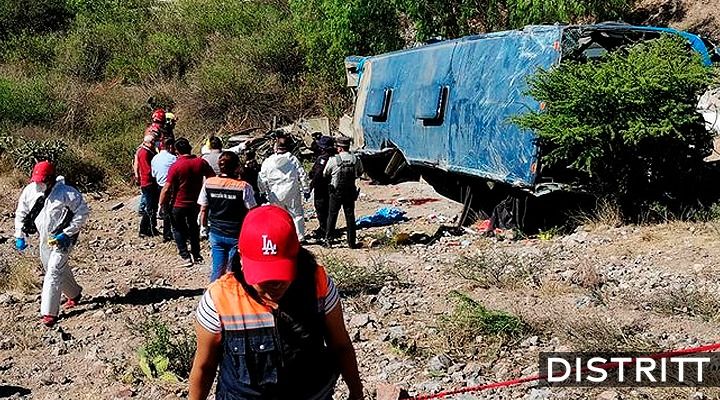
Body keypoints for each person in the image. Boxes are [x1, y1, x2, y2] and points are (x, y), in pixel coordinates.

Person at [189, 205, 364, 400]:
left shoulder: (318, 284)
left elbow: (340, 346)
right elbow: (204, 367)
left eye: (281, 273)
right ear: (241, 259)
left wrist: (356, 394)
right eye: (264, 276)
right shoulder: (218, 299)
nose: (274, 285)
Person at [14, 161, 90, 327]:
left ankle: (48, 313)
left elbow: (82, 212)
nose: (39, 183)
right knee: (52, 267)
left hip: (65, 237)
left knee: (54, 271)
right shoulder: (30, 191)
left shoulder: (67, 193)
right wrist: (19, 234)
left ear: (51, 178)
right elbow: (22, 212)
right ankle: (75, 294)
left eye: (42, 180)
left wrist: (67, 233)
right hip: (45, 238)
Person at [198, 151, 257, 281]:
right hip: (236, 233)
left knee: (217, 268)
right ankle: (231, 297)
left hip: (216, 232)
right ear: (236, 166)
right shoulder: (244, 186)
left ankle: (212, 295)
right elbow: (252, 210)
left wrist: (203, 227)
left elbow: (203, 208)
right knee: (232, 270)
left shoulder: (208, 183)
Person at [159, 138, 215, 267]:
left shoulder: (176, 166)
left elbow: (166, 188)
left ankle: (185, 255)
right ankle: (196, 254)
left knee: (177, 229)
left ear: (177, 151)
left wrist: (161, 204)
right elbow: (211, 178)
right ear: (190, 148)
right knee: (193, 228)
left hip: (178, 203)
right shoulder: (201, 162)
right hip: (195, 202)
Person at [258, 137, 310, 241]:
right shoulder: (293, 159)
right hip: (291, 191)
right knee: (297, 214)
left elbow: (261, 178)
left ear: (276, 147)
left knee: (277, 215)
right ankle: (299, 237)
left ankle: (280, 236)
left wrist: (262, 191)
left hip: (274, 193)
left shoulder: (268, 161)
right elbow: (302, 175)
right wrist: (306, 189)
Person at [323, 136, 363, 248]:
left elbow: (325, 173)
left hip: (336, 192)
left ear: (339, 148)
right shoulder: (356, 159)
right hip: (350, 191)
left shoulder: (333, 160)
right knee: (350, 216)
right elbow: (360, 172)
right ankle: (351, 242)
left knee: (332, 216)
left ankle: (328, 240)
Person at [151, 137, 177, 242]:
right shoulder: (173, 159)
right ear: (170, 146)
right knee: (173, 211)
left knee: (166, 210)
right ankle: (173, 233)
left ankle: (167, 234)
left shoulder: (154, 158)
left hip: (159, 186)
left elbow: (153, 174)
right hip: (171, 186)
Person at [309, 136, 335, 239]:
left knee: (320, 208)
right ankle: (329, 228)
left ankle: (324, 230)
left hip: (321, 187)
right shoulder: (334, 157)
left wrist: (310, 186)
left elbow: (317, 175)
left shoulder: (322, 159)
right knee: (329, 208)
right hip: (331, 187)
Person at [134, 134, 158, 237]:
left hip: (148, 181)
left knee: (152, 207)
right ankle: (144, 229)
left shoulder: (145, 151)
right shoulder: (144, 152)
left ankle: (151, 228)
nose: (154, 144)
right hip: (148, 182)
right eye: (152, 142)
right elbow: (146, 169)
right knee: (150, 207)